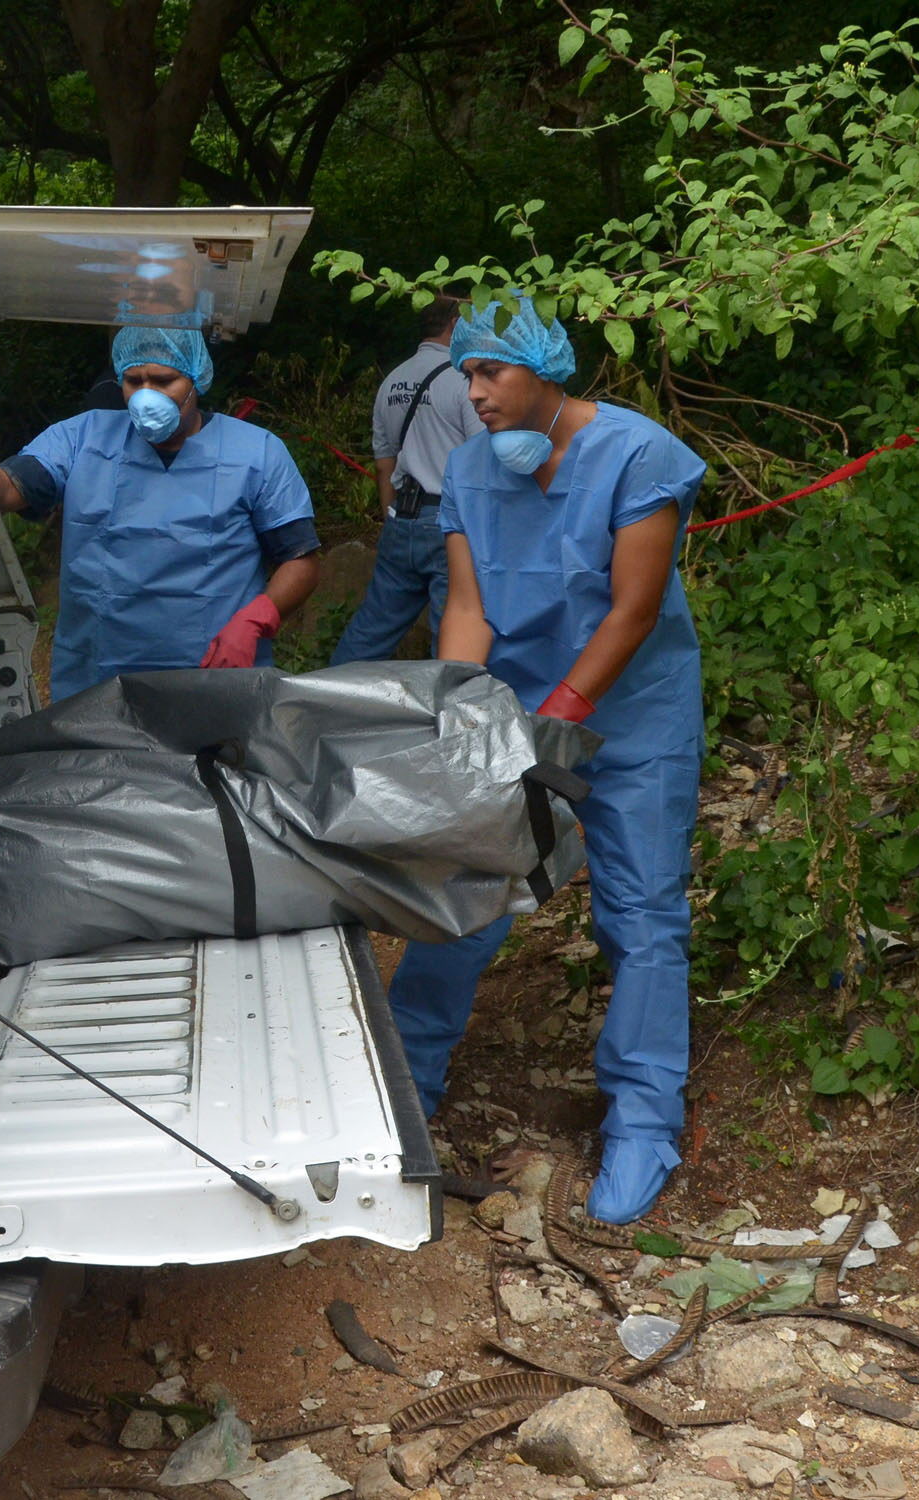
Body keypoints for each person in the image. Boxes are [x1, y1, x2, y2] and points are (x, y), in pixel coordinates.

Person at [402, 293, 705, 1226]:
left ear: (545, 368)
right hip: (516, 718)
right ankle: (402, 1087)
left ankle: (645, 1121)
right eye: (467, 376)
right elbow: (471, 608)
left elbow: (634, 609)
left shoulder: (638, 453)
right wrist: (461, 708)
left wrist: (563, 718)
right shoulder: (467, 470)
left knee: (642, 910)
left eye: (491, 372)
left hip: (634, 722)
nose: (475, 392)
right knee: (463, 893)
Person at [0, 326, 321, 699]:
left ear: (196, 379)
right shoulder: (83, 438)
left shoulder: (256, 452)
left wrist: (255, 620)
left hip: (215, 677)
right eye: (134, 381)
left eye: (164, 380)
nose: (147, 395)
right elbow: (12, 484)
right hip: (98, 680)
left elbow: (300, 560)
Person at [329, 295, 484, 664]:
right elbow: (483, 459)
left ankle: (328, 698)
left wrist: (393, 519)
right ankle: (445, 714)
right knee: (452, 630)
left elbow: (385, 464)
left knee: (372, 628)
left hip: (402, 517)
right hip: (451, 520)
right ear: (455, 327)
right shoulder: (465, 381)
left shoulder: (391, 382)